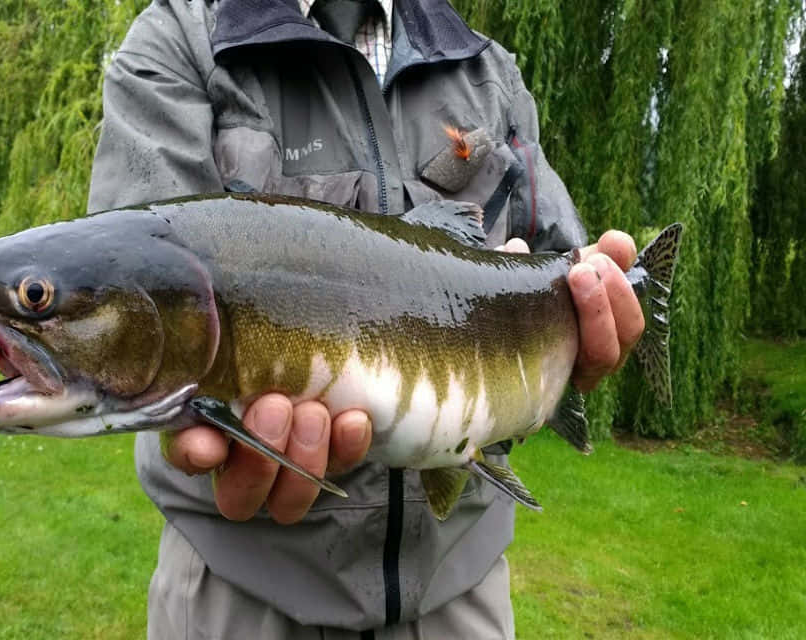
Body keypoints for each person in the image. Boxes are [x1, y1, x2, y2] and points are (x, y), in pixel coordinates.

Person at [88, 1, 644, 637]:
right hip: (239, 594)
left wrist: (594, 311)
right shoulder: (183, 40)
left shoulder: (485, 66)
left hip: (462, 595)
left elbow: (558, 259)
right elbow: (136, 273)